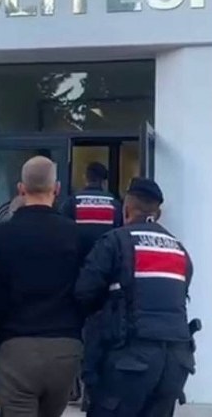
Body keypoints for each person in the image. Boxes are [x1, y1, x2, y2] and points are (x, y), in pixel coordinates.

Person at [0, 156, 85, 417]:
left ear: (21, 188)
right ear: (56, 188)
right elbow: (88, 287)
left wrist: (3, 313)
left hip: (16, 346)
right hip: (64, 347)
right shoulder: (76, 235)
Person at [75, 178, 195, 417]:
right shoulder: (179, 249)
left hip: (129, 362)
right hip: (175, 363)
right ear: (158, 214)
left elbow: (84, 293)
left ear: (127, 209)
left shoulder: (115, 242)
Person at [60, 162, 124, 409]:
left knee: (74, 332)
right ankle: (92, 388)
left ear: (86, 178)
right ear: (104, 181)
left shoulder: (72, 203)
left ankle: (72, 385)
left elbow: (63, 237)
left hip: (76, 278)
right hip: (105, 281)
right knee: (100, 334)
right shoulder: (115, 205)